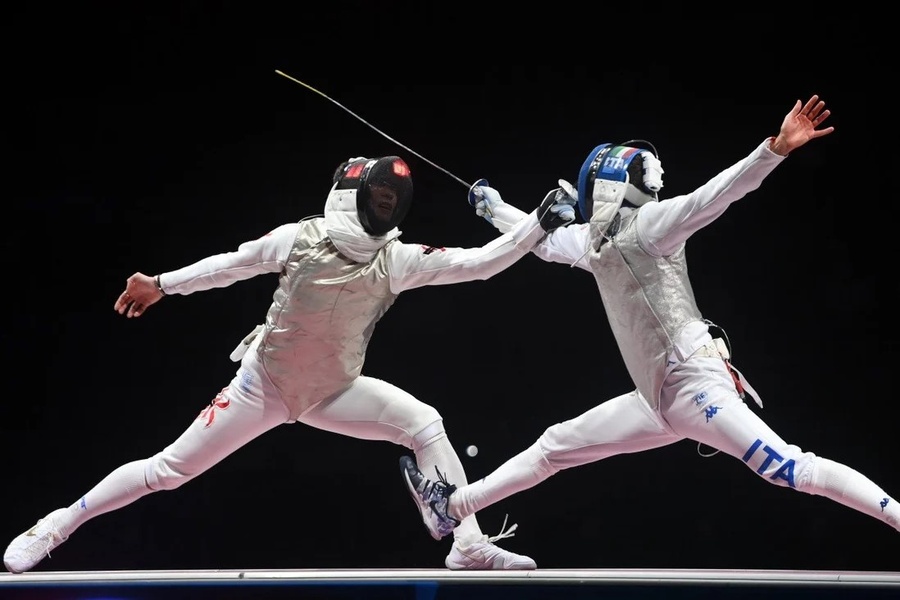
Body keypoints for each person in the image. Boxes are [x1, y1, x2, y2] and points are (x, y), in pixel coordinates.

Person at [3, 154, 577, 574]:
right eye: (378, 196)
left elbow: (479, 264)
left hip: (333, 390)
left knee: (426, 423)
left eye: (392, 200)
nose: (387, 205)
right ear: (353, 194)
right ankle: (54, 525)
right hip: (263, 388)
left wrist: (535, 225)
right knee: (166, 472)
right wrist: (160, 284)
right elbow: (228, 266)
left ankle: (466, 542)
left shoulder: (397, 259)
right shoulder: (297, 240)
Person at [399, 95, 900, 547]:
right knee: (556, 445)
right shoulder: (596, 244)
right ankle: (451, 509)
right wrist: (495, 209)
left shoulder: (655, 227)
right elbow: (545, 241)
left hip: (694, 386)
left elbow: (717, 194)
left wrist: (774, 149)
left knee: (790, 467)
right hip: (656, 398)